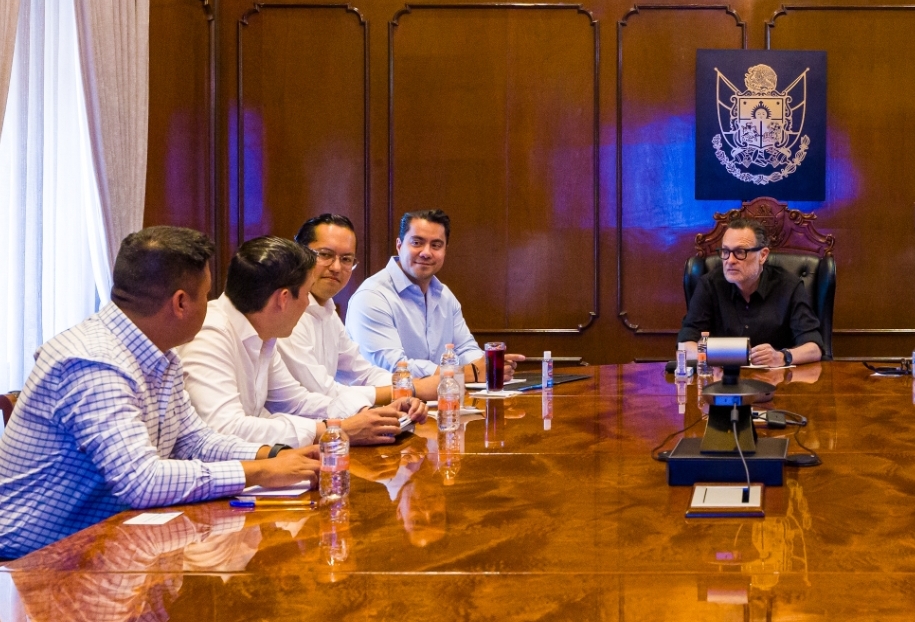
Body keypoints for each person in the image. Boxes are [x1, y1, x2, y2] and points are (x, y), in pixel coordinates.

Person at [0, 227, 320, 558]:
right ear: (180, 303)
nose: (210, 305)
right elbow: (141, 481)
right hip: (29, 564)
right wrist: (260, 472)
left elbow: (195, 441)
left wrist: (274, 456)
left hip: (103, 544)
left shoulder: (157, 354)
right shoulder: (95, 362)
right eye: (206, 295)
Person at [177, 235, 426, 449]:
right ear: (283, 299)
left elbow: (296, 401)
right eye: (306, 294)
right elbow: (225, 429)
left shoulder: (263, 332)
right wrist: (335, 429)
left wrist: (369, 414)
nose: (308, 304)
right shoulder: (210, 333)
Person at [345, 209, 524, 381]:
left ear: (445, 250)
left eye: (436, 245)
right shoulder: (371, 297)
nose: (426, 253)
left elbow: (465, 349)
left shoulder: (445, 295)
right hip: (385, 401)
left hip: (442, 397)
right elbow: (394, 367)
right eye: (417, 243)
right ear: (399, 245)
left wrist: (490, 366)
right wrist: (471, 373)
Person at [278, 214, 439, 402]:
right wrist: (410, 390)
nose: (336, 267)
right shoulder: (286, 311)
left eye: (346, 259)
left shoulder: (327, 310)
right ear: (299, 254)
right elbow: (321, 391)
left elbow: (362, 373)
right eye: (325, 255)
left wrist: (407, 384)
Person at [678, 218, 824, 367]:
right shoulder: (709, 285)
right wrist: (719, 357)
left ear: (763, 255)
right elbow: (685, 345)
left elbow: (814, 348)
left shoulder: (789, 287)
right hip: (724, 378)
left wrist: (782, 357)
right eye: (725, 251)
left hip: (777, 378)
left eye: (740, 252)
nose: (730, 260)